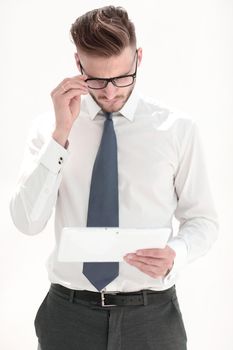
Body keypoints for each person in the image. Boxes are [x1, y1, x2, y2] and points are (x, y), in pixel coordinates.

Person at [10, 5, 218, 350]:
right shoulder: (49, 128)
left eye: (122, 78)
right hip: (69, 315)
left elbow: (203, 220)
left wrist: (177, 252)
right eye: (97, 80)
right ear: (78, 64)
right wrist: (61, 134)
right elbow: (28, 222)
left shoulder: (177, 129)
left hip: (152, 317)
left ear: (138, 58)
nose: (110, 92)